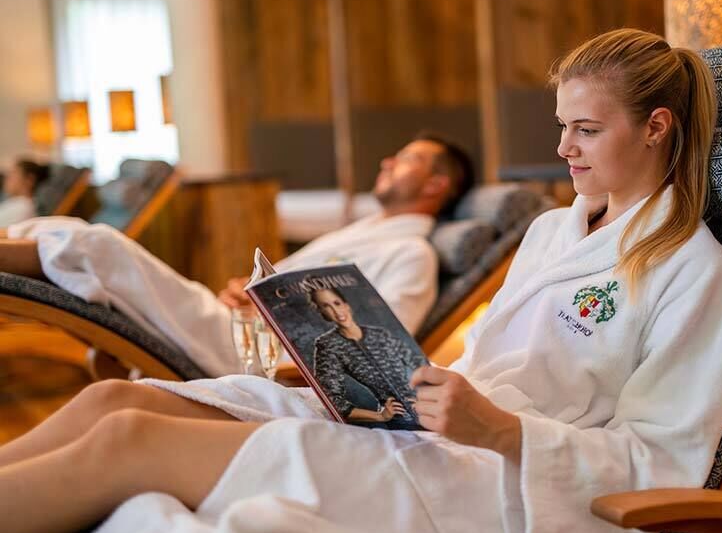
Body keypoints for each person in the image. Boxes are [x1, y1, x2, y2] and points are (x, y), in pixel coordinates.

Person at [0, 29, 722, 533]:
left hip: (501, 481)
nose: (562, 147)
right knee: (115, 398)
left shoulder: (694, 272)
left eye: (586, 129)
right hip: (429, 433)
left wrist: (501, 431)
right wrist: (383, 383)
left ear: (655, 127)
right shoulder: (556, 229)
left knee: (131, 442)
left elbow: (668, 464)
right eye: (562, 125)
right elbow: (485, 354)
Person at [0, 135, 474, 376]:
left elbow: (378, 353)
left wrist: (275, 316)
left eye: (408, 159)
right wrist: (251, 292)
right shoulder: (368, 230)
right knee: (83, 235)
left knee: (97, 245)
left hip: (256, 355)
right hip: (233, 324)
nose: (388, 161)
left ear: (437, 185)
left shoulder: (412, 254)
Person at [310, 286, 427, 425]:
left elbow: (419, 363)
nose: (336, 311)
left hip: (429, 406)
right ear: (322, 312)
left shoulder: (380, 334)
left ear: (346, 305)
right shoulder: (328, 346)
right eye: (326, 306)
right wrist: (381, 416)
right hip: (400, 419)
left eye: (337, 303)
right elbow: (330, 397)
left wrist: (425, 396)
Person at [0, 157, 49, 226]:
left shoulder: (24, 208)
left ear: (29, 180)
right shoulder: (15, 202)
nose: (7, 178)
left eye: (14, 173)